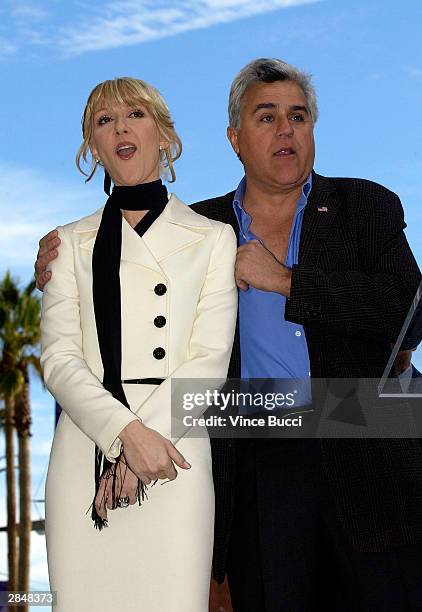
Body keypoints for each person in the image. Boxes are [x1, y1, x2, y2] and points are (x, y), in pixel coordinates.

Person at [36, 59, 422, 611]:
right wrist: (54, 266)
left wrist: (287, 281)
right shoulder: (198, 228)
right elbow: (104, 322)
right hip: (252, 467)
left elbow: (410, 313)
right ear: (235, 139)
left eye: (298, 115)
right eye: (266, 118)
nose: (285, 130)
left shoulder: (366, 206)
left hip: (369, 461)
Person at [39, 76, 237, 612]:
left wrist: (150, 438)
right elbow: (57, 359)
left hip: (176, 451)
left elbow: (210, 358)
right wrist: (125, 434)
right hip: (87, 450)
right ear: (92, 147)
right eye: (105, 121)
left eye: (136, 115)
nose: (121, 126)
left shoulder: (214, 239)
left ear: (165, 136)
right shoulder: (68, 243)